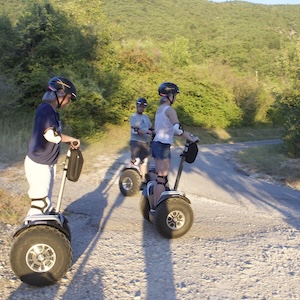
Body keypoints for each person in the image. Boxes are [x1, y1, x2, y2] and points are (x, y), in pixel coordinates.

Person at [25, 76, 80, 216]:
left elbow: (54, 135)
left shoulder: (50, 111)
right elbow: (51, 135)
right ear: (60, 93)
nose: (68, 102)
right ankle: (31, 235)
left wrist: (68, 141)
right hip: (39, 163)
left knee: (47, 204)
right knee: (40, 204)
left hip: (45, 162)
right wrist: (71, 139)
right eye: (68, 98)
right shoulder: (46, 110)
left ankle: (43, 233)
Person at [151, 82, 199, 210]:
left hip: (156, 143)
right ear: (170, 95)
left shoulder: (159, 110)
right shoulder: (170, 110)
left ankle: (155, 207)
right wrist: (191, 138)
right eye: (175, 95)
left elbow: (168, 130)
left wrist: (186, 134)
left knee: (158, 178)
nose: (175, 98)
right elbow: (177, 129)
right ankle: (161, 210)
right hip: (162, 145)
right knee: (162, 178)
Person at [129, 98, 153, 187]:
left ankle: (143, 179)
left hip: (145, 142)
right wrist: (147, 132)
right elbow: (135, 130)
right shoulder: (133, 117)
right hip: (136, 142)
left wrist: (154, 131)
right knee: (135, 160)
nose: (141, 108)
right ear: (137, 106)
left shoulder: (145, 117)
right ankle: (131, 177)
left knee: (144, 161)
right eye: (140, 106)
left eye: (143, 107)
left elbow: (150, 127)